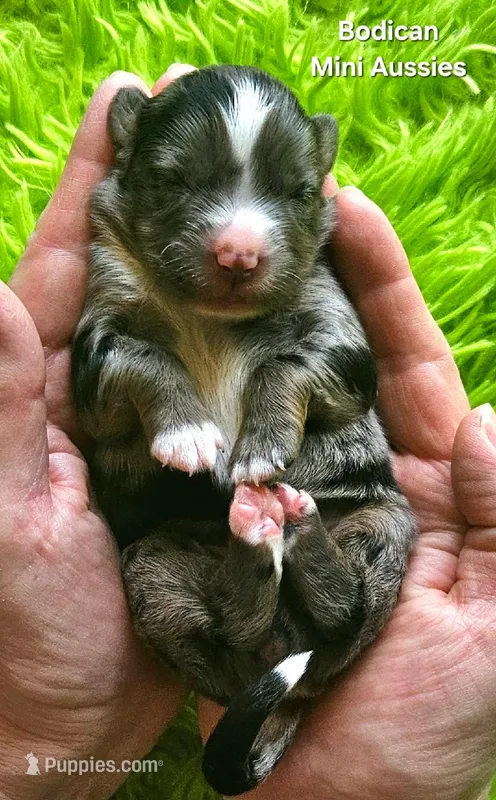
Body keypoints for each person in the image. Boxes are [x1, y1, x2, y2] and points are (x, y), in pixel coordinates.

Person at [0, 63, 494, 800]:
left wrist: (279, 393)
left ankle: (311, 584)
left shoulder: (311, 283)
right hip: (188, 557)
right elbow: (103, 393)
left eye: (288, 194)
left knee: (387, 528)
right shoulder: (122, 269)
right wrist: (38, 744)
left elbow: (345, 373)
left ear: (316, 175)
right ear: (127, 154)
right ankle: (251, 594)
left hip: (342, 514)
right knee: (152, 580)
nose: (238, 242)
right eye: (176, 185)